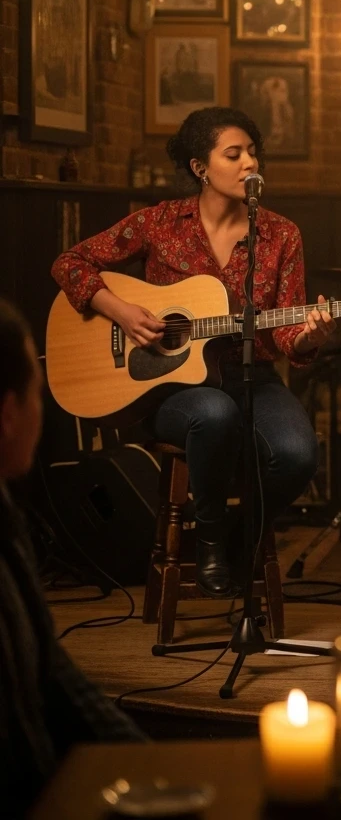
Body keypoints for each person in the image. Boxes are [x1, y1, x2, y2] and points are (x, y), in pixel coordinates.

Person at [51, 107, 335, 598]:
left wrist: (310, 335)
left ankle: (235, 540)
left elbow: (287, 333)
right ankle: (206, 542)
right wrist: (119, 310)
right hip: (170, 388)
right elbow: (70, 262)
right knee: (213, 412)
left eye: (252, 152)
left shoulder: (281, 234)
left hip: (253, 378)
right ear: (200, 167)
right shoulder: (160, 222)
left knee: (297, 454)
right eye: (234, 154)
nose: (250, 162)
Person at [0, 299, 144, 815]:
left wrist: (149, 766)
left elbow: (53, 673)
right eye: (39, 395)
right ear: (10, 414)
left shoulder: (7, 513)